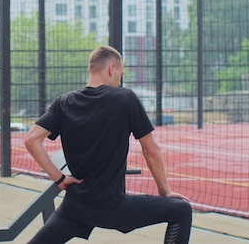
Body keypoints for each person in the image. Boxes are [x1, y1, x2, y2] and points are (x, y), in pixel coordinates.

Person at [24, 45, 192, 244]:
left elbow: (31, 139)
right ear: (112, 69)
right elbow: (151, 149)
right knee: (181, 210)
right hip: (113, 207)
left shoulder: (63, 102)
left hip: (76, 206)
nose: (120, 82)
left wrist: (59, 179)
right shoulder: (125, 98)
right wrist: (165, 192)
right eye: (120, 75)